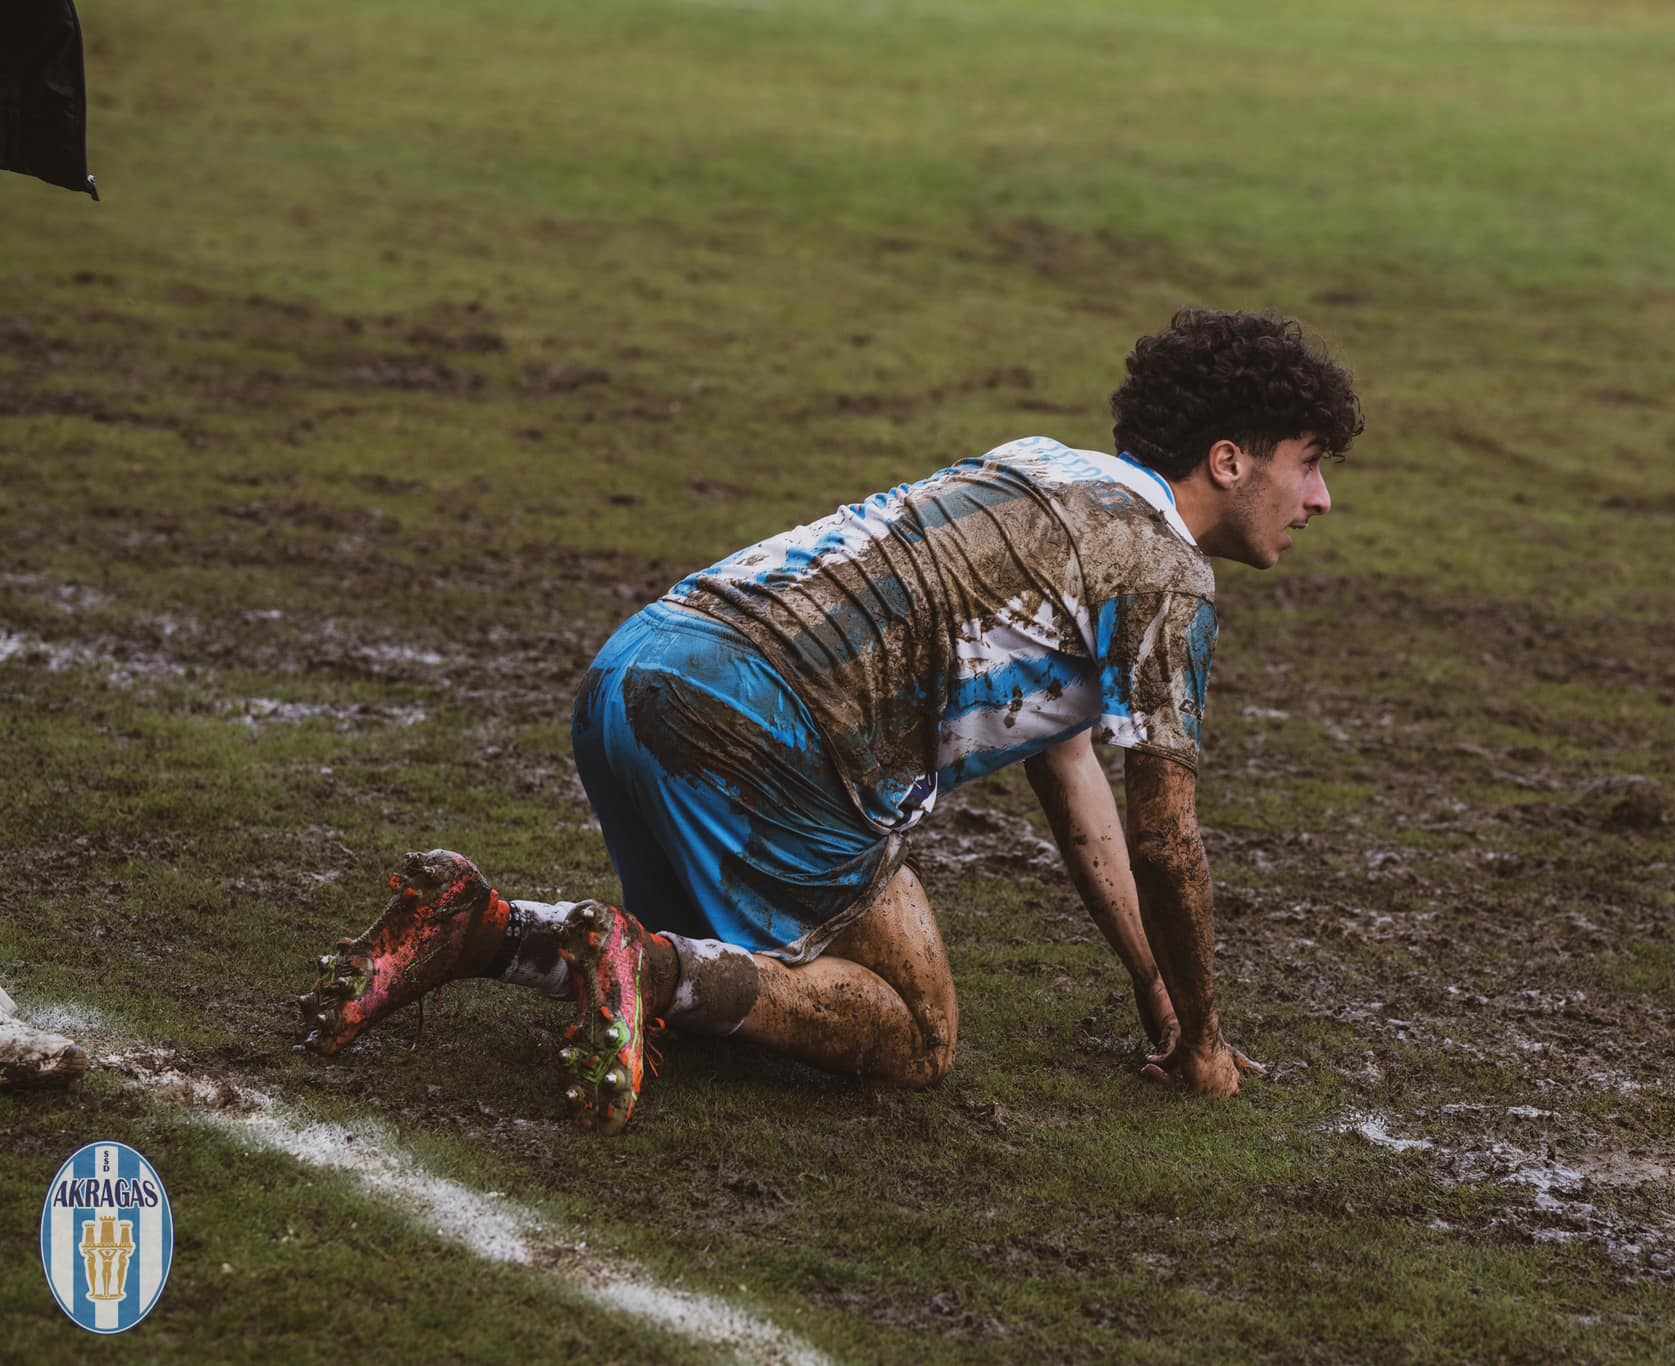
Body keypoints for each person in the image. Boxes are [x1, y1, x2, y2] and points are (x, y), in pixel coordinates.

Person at [299, 308, 1362, 1134]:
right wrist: (1210, 1044)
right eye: (1307, 463)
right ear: (1229, 459)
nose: (1318, 500)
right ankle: (644, 962)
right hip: (765, 727)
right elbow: (1163, 838)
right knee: (915, 1039)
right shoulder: (1166, 574)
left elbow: (1075, 784)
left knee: (732, 978)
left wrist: (1159, 999)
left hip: (638, 664)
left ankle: (481, 928)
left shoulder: (1044, 464)